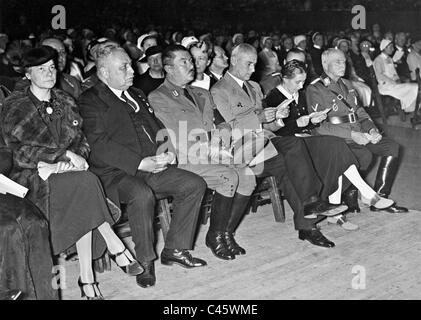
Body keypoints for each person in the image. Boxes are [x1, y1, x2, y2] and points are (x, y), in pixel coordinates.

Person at [1, 46, 142, 300]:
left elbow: (83, 142)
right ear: (28, 75)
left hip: (71, 176)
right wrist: (60, 157)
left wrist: (75, 159)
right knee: (85, 186)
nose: (49, 73)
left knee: (82, 186)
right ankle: (110, 250)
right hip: (33, 179)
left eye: (52, 67)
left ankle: (88, 279)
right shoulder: (15, 106)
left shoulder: (65, 101)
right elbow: (17, 154)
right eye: (41, 69)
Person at [78, 46, 207, 289]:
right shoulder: (90, 100)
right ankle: (145, 260)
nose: (132, 71)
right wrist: (140, 163)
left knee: (194, 184)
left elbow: (156, 126)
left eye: (130, 64)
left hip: (151, 166)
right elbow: (99, 144)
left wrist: (167, 152)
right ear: (104, 73)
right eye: (123, 67)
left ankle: (175, 249)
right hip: (115, 173)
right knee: (141, 195)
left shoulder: (136, 93)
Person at [211, 44, 349, 248]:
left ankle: (308, 223)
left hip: (264, 142)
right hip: (241, 148)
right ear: (233, 60)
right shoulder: (219, 90)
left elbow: (268, 125)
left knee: (291, 161)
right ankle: (310, 208)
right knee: (293, 148)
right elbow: (228, 127)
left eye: (254, 65)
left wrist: (278, 118)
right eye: (248, 64)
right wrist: (259, 118)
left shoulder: (254, 87)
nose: (252, 69)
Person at [149, 44, 257, 259]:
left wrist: (222, 139)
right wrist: (213, 151)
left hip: (213, 151)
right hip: (185, 158)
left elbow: (221, 123)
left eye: (191, 60)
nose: (191, 65)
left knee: (247, 177)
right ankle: (214, 236)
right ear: (168, 68)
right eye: (184, 62)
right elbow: (177, 139)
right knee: (227, 176)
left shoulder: (201, 93)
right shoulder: (159, 97)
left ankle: (225, 233)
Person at [264, 60, 394, 229]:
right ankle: (368, 195)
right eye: (298, 82)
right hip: (290, 143)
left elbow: (310, 123)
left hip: (307, 137)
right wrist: (299, 124)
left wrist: (314, 120)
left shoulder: (300, 94)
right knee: (335, 151)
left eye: (303, 81)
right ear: (285, 79)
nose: (301, 85)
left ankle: (339, 210)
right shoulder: (274, 97)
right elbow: (276, 131)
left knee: (337, 147)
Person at [306, 48, 408, 214]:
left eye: (344, 61)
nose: (342, 65)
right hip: (339, 138)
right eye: (337, 61)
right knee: (363, 156)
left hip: (360, 132)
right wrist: (352, 135)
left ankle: (379, 197)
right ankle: (353, 193)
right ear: (325, 64)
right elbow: (320, 126)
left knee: (391, 147)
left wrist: (373, 130)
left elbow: (360, 112)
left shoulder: (347, 84)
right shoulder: (316, 89)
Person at [373, 39, 418, 113]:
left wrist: (397, 79)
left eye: (392, 47)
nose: (393, 49)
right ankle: (411, 109)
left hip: (394, 84)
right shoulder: (378, 60)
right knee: (415, 87)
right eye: (390, 47)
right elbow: (379, 75)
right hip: (385, 86)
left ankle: (413, 108)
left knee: (415, 86)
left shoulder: (390, 59)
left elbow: (394, 73)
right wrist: (392, 81)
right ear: (384, 48)